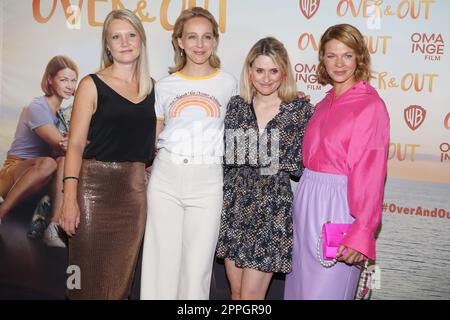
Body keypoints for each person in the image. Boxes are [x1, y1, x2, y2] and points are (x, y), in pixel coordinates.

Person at [284, 24, 390, 300]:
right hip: (306, 202)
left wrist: (361, 231)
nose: (339, 63)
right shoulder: (323, 103)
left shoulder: (370, 106)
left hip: (340, 207)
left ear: (359, 58)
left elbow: (371, 174)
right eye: (331, 55)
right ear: (322, 59)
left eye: (347, 55)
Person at [140, 7, 237, 300]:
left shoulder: (229, 84)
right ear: (179, 41)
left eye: (207, 37)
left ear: (215, 41)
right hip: (166, 177)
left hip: (208, 180)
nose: (199, 44)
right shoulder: (164, 86)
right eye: (192, 37)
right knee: (160, 264)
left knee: (197, 270)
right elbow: (155, 138)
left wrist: (288, 96)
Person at [59, 9, 156, 299]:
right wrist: (69, 199)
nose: (124, 42)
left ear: (141, 40)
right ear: (107, 44)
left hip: (132, 196)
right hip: (91, 192)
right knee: (81, 280)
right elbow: (75, 145)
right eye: (116, 36)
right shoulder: (90, 84)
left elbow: (159, 142)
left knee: (119, 283)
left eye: (131, 35)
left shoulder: (153, 90)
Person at [215, 37, 314, 300]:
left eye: (273, 71)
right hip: (235, 206)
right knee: (236, 294)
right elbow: (229, 159)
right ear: (249, 71)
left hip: (271, 210)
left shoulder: (299, 110)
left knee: (251, 297)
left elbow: (297, 167)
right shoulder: (236, 106)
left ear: (284, 72)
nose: (266, 78)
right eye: (260, 70)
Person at [0, 55, 78, 249]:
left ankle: (53, 226)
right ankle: (1, 212)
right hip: (13, 173)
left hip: (41, 178)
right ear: (50, 80)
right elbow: (62, 143)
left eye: (73, 80)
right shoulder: (37, 106)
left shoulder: (61, 114)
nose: (69, 85)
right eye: (63, 79)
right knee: (52, 161)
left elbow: (68, 148)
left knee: (61, 161)